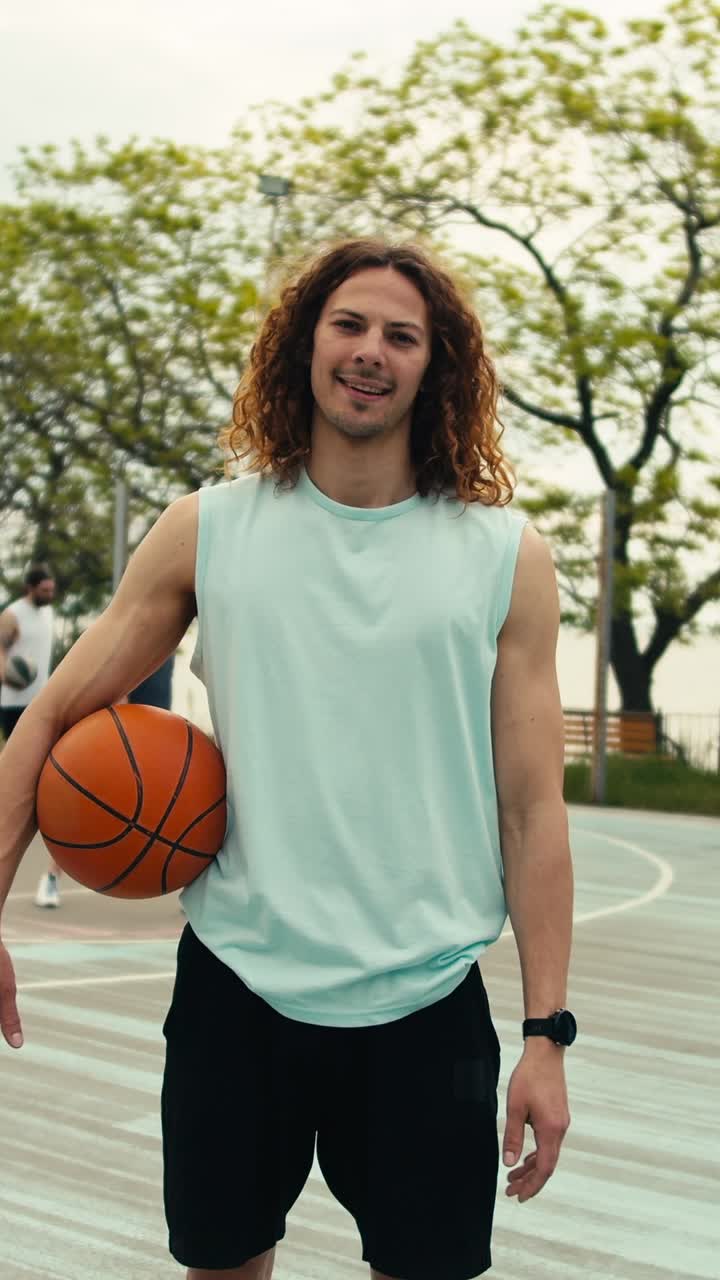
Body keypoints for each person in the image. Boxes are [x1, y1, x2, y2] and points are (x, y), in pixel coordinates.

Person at [0, 238, 575, 1280]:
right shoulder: (207, 530)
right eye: (348, 324)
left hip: (426, 998)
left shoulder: (504, 556)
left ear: (435, 365)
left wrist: (547, 1033)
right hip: (239, 987)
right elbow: (47, 720)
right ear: (305, 344)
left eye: (402, 335)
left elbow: (533, 810)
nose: (370, 351)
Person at [0, 564, 62, 908]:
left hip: (41, 702)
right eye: (45, 590)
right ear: (31, 588)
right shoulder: (13, 616)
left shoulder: (49, 614)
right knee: (17, 771)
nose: (50, 594)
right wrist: (8, 674)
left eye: (52, 590)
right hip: (14, 703)